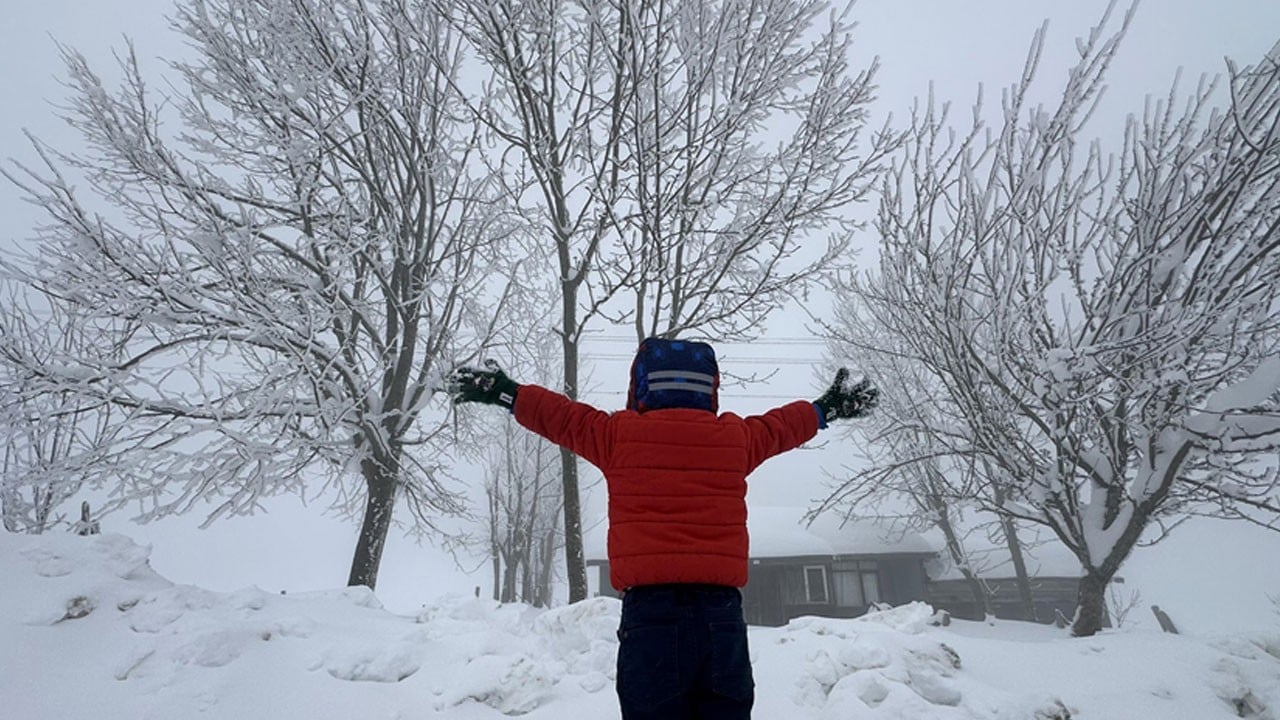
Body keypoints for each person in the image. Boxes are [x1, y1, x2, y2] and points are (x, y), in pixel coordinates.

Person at [446, 338, 878, 720]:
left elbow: (562, 417)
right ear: (709, 388)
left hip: (650, 618)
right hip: (720, 618)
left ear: (642, 386)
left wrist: (507, 392)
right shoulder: (733, 438)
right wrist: (826, 408)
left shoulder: (619, 435)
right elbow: (781, 427)